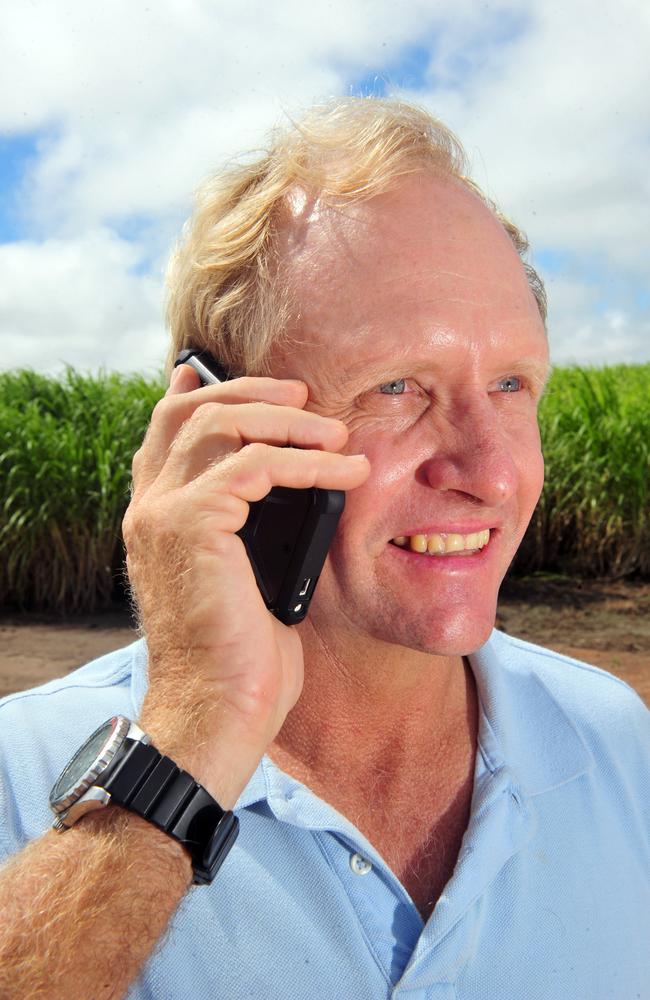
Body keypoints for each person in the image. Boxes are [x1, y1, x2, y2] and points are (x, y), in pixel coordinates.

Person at [0, 98, 648, 1000]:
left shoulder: (614, 744)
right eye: (397, 386)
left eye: (510, 382)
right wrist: (196, 733)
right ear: (213, 419)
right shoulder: (20, 782)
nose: (492, 472)